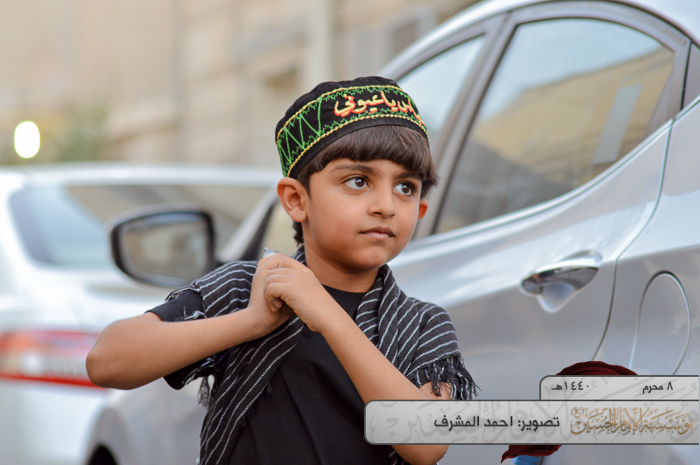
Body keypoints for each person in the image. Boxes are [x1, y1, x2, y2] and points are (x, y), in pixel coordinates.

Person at [87, 76, 478, 465]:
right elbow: (106, 362)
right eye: (358, 181)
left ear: (420, 211)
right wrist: (252, 321)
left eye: (405, 187)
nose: (386, 206)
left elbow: (427, 445)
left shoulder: (424, 324)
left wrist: (329, 316)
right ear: (296, 200)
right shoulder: (248, 289)